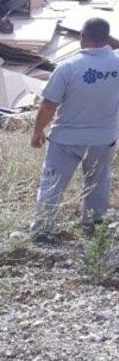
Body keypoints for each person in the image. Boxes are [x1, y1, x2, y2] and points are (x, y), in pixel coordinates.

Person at [31, 17, 119, 238]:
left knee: (53, 182)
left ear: (82, 37)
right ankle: (94, 222)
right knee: (98, 180)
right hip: (103, 137)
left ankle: (42, 229)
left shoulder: (68, 67)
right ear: (108, 38)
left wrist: (37, 131)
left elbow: (49, 106)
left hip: (66, 139)